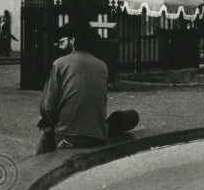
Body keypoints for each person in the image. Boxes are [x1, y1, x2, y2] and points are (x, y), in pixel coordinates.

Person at [36, 22, 139, 155]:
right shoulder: (102, 66)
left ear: (73, 41)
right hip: (98, 134)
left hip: (68, 134)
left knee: (47, 133)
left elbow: (47, 107)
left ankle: (37, 167)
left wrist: (46, 119)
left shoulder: (60, 64)